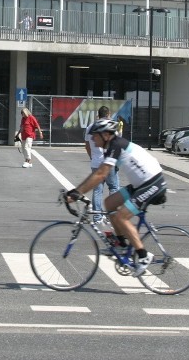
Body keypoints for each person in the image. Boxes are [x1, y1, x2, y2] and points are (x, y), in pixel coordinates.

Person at [66, 118, 167, 276]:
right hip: (140, 184)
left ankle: (143, 255)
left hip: (153, 182)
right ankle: (121, 244)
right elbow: (99, 172)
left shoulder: (116, 145)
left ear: (106, 135)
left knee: (121, 217)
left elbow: (100, 175)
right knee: (110, 203)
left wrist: (77, 193)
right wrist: (77, 190)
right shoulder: (110, 147)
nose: (92, 138)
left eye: (95, 135)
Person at [84, 106, 119, 220]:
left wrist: (92, 156)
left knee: (97, 190)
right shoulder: (112, 125)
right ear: (108, 114)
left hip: (96, 162)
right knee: (113, 187)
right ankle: (111, 215)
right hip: (109, 161)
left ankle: (97, 216)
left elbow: (87, 145)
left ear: (98, 115)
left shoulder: (90, 127)